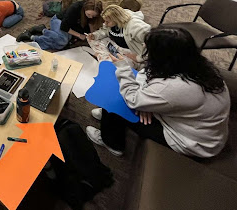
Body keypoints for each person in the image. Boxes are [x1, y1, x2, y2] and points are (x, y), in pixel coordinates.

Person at [86, 27, 230, 158]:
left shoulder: (175, 87)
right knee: (123, 93)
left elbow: (133, 99)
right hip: (193, 123)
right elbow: (146, 73)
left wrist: (122, 67)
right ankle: (110, 117)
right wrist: (148, 104)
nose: (143, 47)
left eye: (148, 48)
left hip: (194, 142)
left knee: (113, 99)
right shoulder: (193, 65)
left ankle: (112, 143)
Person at [17, 0, 103, 51]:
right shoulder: (75, 7)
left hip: (70, 27)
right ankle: (32, 37)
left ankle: (42, 30)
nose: (91, 17)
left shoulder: (93, 14)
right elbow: (64, 26)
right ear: (85, 8)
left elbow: (91, 25)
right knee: (62, 41)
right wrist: (79, 35)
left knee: (60, 44)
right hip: (58, 21)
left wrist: (92, 35)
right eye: (89, 15)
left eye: (93, 16)